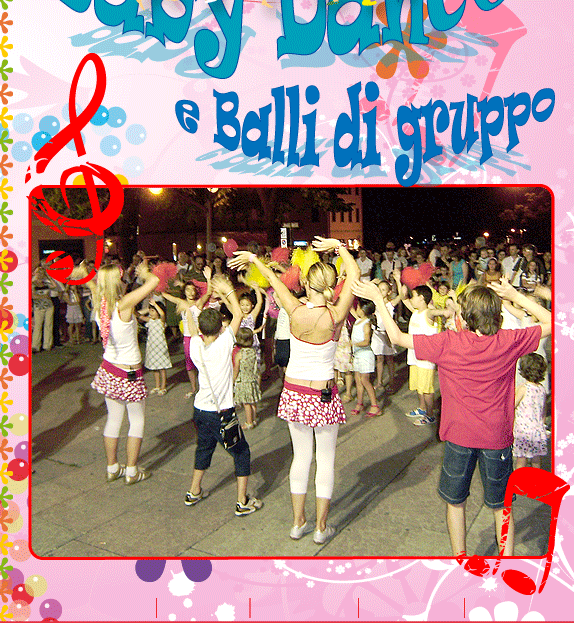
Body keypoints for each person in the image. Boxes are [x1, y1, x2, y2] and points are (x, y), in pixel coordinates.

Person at [352, 277, 551, 558]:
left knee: (456, 502)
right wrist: (515, 295)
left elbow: (396, 338)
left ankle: (461, 559)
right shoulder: (508, 340)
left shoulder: (448, 342)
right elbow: (552, 321)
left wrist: (378, 300)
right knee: (502, 506)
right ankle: (506, 563)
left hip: (459, 435)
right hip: (497, 436)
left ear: (465, 317)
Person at [229, 237, 360, 544]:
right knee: (325, 460)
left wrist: (254, 258)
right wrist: (339, 247)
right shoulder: (336, 315)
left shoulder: (295, 308)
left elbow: (272, 278)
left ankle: (298, 522)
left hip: (294, 393)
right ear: (331, 285)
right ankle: (321, 527)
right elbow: (354, 273)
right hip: (323, 395)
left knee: (301, 457)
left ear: (305, 283)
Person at [184, 275, 263, 517]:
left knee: (204, 448)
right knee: (241, 452)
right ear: (221, 328)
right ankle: (242, 501)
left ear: (200, 329)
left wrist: (207, 292)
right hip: (221, 412)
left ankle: (194, 491)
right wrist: (227, 290)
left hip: (200, 409)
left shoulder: (195, 345)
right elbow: (238, 314)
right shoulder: (224, 343)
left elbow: (192, 319)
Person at [88, 260, 160, 484]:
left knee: (114, 419)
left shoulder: (99, 302)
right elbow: (155, 281)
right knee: (136, 421)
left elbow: (90, 283)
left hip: (109, 369)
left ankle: (112, 468)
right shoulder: (125, 303)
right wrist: (144, 273)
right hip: (128, 373)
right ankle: (131, 471)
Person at [162, 270, 212, 398]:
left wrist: (208, 278)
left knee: (203, 363)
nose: (190, 292)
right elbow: (166, 296)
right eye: (188, 290)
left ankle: (206, 388)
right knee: (189, 364)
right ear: (184, 291)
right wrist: (158, 284)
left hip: (200, 336)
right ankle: (194, 389)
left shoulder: (199, 303)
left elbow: (209, 292)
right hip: (188, 337)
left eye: (192, 290)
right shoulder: (181, 303)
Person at [513, 353, 548, 470]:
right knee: (536, 461)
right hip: (537, 430)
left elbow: (513, 405)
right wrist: (542, 425)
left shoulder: (523, 388)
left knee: (521, 461)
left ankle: (519, 480)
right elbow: (543, 410)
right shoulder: (542, 389)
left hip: (523, 431)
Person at [350, 299, 380, 417]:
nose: (356, 309)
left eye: (358, 307)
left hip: (365, 356)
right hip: (357, 355)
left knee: (364, 380)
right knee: (358, 380)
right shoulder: (359, 320)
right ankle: (360, 403)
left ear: (363, 310)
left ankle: (374, 406)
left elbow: (366, 341)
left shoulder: (367, 323)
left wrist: (353, 344)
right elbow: (349, 309)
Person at [139, 299, 172, 396]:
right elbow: (139, 315)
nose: (151, 313)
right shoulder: (150, 321)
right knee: (154, 368)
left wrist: (155, 305)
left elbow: (162, 314)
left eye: (153, 311)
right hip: (152, 348)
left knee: (162, 368)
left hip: (160, 348)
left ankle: (163, 387)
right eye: (150, 311)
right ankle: (157, 386)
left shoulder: (161, 321)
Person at [233, 327, 262, 430]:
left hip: (244, 381)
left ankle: (249, 422)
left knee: (246, 403)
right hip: (252, 379)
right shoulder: (253, 352)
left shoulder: (239, 354)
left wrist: (233, 380)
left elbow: (236, 369)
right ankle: (254, 419)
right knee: (253, 402)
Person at [32, 265, 57, 353]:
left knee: (48, 325)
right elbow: (33, 296)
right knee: (38, 326)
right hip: (39, 307)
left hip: (49, 306)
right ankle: (35, 345)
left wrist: (48, 277)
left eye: (42, 273)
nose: (40, 274)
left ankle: (47, 344)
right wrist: (43, 296)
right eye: (38, 272)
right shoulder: (32, 284)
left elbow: (54, 285)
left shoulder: (45, 283)